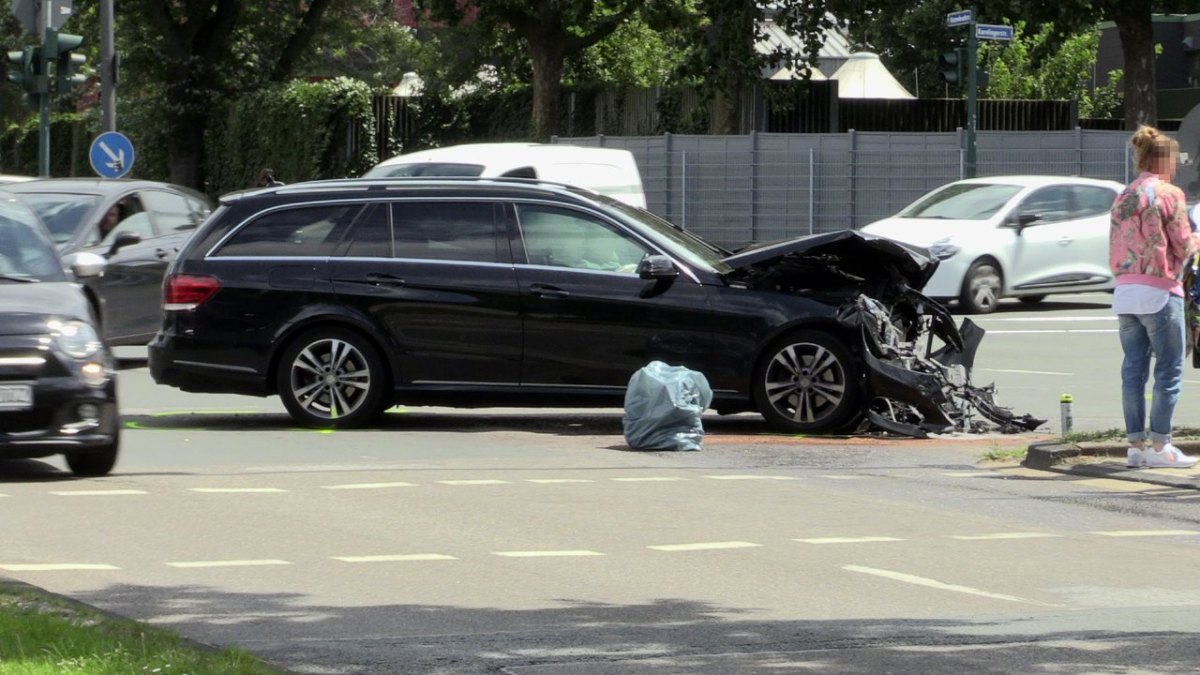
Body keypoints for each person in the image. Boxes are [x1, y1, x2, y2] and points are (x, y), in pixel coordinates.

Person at [1110, 125, 1200, 468]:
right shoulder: (1168, 193)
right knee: (1168, 369)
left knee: (1133, 370)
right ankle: (1162, 446)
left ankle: (1135, 446)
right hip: (1159, 290)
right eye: (1175, 158)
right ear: (1163, 159)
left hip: (1125, 290)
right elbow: (1182, 242)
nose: (1177, 165)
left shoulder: (1125, 195)